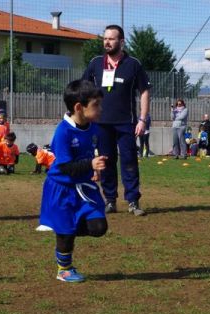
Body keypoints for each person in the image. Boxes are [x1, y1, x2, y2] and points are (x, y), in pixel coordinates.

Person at [39, 79, 108, 282]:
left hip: (84, 188)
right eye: (96, 105)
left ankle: (65, 229)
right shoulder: (63, 132)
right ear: (79, 107)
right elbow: (65, 168)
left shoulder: (93, 127)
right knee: (66, 232)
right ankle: (64, 269)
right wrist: (90, 165)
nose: (100, 109)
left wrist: (97, 167)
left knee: (99, 228)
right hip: (61, 189)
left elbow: (93, 151)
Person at [82, 24, 150, 216]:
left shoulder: (133, 64)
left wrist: (143, 119)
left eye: (111, 39)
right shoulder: (96, 63)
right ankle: (110, 200)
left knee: (129, 161)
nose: (107, 42)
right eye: (105, 39)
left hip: (126, 123)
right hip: (101, 124)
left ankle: (133, 202)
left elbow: (145, 91)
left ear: (121, 41)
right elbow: (84, 89)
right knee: (106, 161)